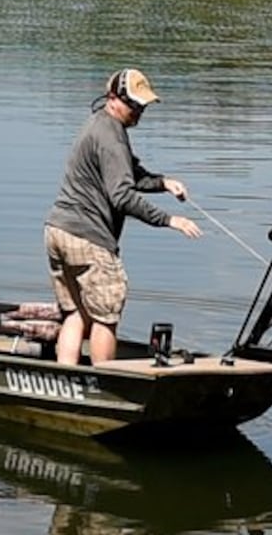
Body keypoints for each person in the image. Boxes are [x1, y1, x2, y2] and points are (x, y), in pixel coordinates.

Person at [42, 67, 199, 366]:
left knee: (76, 313)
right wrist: (169, 220)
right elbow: (122, 196)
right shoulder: (112, 137)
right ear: (113, 98)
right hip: (88, 238)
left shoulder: (99, 125)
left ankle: (67, 379)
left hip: (57, 230)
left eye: (143, 106)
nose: (139, 111)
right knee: (106, 317)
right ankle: (104, 385)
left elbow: (126, 173)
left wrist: (162, 182)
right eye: (134, 104)